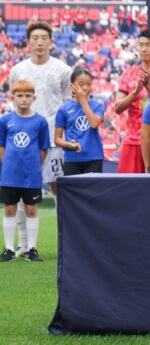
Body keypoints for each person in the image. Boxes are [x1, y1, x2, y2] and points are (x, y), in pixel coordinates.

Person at [9, 21, 71, 257]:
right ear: (28, 41)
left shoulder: (63, 70)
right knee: (22, 190)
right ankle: (24, 245)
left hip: (54, 139)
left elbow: (68, 106)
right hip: (25, 141)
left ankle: (65, 243)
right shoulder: (18, 70)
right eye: (35, 38)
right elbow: (16, 102)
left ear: (51, 41)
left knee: (58, 189)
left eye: (44, 38)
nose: (39, 42)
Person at [0, 81, 50, 262]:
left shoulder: (40, 122)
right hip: (10, 175)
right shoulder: (5, 120)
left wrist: (34, 166)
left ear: (33, 98)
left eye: (28, 96)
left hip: (31, 175)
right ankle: (9, 250)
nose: (24, 99)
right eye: (20, 96)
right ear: (12, 98)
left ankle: (31, 249)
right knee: (9, 208)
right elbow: (1, 145)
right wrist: (7, 164)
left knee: (31, 209)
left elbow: (43, 149)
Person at [115, 29, 150, 173]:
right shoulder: (128, 74)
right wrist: (135, 92)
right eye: (141, 45)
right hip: (132, 141)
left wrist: (148, 86)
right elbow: (117, 108)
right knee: (128, 185)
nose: (143, 49)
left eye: (148, 45)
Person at [54, 68, 104, 175]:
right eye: (81, 84)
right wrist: (70, 145)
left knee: (93, 186)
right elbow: (57, 139)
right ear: (71, 86)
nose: (85, 88)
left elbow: (94, 124)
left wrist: (83, 101)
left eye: (88, 84)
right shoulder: (64, 109)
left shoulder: (98, 106)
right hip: (71, 159)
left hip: (94, 158)